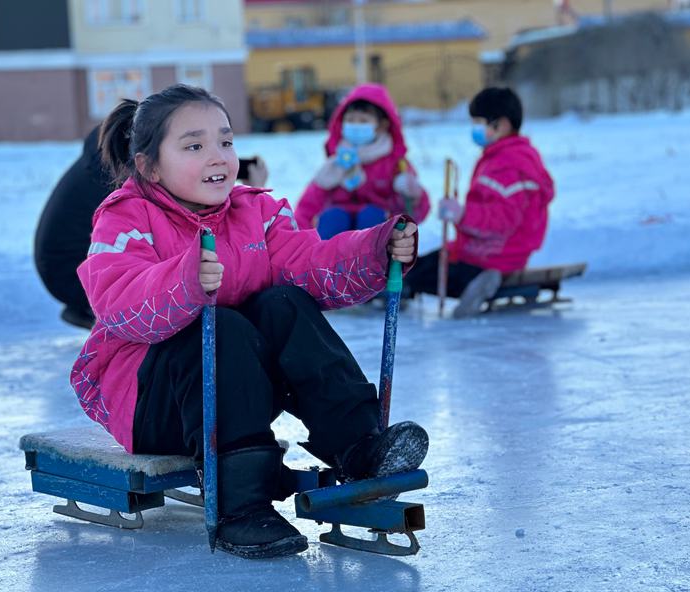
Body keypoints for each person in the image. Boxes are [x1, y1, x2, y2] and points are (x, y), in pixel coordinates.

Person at [71, 84, 428, 560]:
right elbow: (119, 304)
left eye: (225, 141)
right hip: (155, 401)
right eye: (194, 146)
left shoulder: (253, 212)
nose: (217, 157)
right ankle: (241, 503)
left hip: (233, 394)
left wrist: (374, 249)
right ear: (149, 166)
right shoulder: (126, 217)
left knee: (284, 304)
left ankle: (359, 445)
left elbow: (310, 262)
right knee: (222, 328)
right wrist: (185, 279)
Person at [34, 125, 269, 329]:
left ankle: (87, 309)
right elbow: (175, 228)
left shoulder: (106, 160)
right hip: (74, 271)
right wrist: (247, 195)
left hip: (58, 266)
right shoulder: (122, 179)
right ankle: (98, 318)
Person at [404, 86, 555, 319]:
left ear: (501, 125)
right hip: (483, 250)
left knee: (424, 274)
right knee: (422, 267)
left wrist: (462, 214)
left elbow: (503, 220)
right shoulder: (500, 157)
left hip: (494, 254)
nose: (474, 129)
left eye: (479, 122)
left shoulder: (508, 164)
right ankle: (472, 280)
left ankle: (479, 281)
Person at [294, 83, 430, 239]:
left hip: (377, 231)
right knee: (333, 217)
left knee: (371, 215)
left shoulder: (395, 164)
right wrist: (300, 238)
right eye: (350, 120)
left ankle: (373, 260)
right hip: (337, 233)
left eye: (363, 121)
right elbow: (308, 205)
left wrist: (413, 196)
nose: (355, 126)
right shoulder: (336, 163)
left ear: (382, 125)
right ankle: (323, 261)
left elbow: (413, 214)